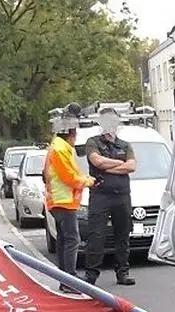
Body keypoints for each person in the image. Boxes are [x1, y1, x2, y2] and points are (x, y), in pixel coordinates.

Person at [44, 103, 96, 295]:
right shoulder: (61, 149)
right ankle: (69, 279)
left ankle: (65, 279)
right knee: (72, 240)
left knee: (64, 241)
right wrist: (89, 181)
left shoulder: (57, 146)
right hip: (63, 202)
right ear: (71, 133)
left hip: (59, 201)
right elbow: (70, 177)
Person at [81, 107, 137, 286]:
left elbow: (132, 166)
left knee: (123, 235)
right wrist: (121, 163)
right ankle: (91, 276)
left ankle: (122, 273)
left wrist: (108, 167)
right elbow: (96, 161)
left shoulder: (125, 145)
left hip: (122, 196)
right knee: (96, 236)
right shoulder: (93, 142)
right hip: (100, 196)